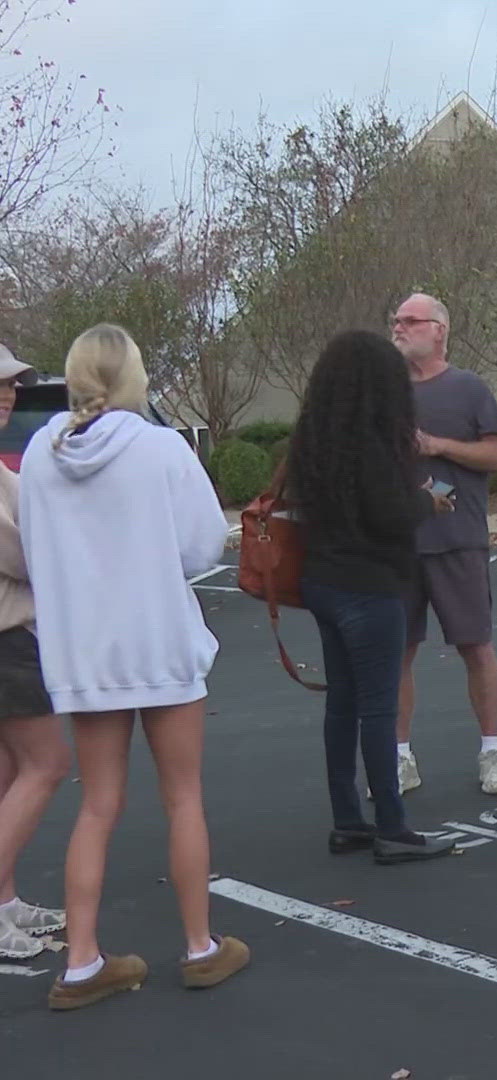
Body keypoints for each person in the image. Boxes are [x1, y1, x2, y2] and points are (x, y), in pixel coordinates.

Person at [19, 325, 247, 1009]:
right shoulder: (160, 447)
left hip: (85, 652)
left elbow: (35, 551)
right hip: (159, 643)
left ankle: (83, 961)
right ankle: (201, 947)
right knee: (183, 797)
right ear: (132, 378)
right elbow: (204, 544)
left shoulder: (39, 453)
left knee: (97, 805)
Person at [285, 331, 458, 865]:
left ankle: (348, 821)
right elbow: (389, 514)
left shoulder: (312, 438)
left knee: (342, 703)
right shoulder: (375, 443)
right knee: (379, 708)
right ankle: (392, 827)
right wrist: (427, 502)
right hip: (370, 583)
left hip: (322, 579)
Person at [390, 293, 497, 797]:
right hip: (397, 544)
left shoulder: (468, 389)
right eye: (395, 320)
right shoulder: (385, 391)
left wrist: (439, 447)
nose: (398, 327)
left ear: (439, 329)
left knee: (476, 647)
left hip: (457, 540)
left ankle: (492, 752)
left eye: (410, 320)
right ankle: (399, 759)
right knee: (396, 653)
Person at [0, 348, 70, 961]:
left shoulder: (8, 476)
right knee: (46, 764)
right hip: (8, 643)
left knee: (8, 773)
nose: (8, 394)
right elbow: (32, 559)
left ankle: (6, 901)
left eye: (12, 384)